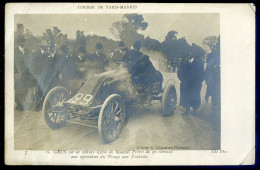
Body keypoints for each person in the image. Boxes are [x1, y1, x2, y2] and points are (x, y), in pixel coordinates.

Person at [177, 46, 205, 116]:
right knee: (186, 95)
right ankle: (187, 110)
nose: (191, 54)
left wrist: (199, 81)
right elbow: (180, 72)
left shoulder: (199, 62)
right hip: (186, 82)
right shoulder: (184, 61)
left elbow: (202, 73)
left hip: (195, 83)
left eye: (192, 53)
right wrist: (183, 80)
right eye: (190, 53)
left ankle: (195, 111)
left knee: (195, 95)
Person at [14, 35, 31, 110]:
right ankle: (19, 104)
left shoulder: (27, 51)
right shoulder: (15, 51)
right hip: (18, 73)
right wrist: (15, 73)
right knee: (18, 89)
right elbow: (13, 63)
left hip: (26, 74)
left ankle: (23, 102)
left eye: (23, 41)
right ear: (18, 42)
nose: (22, 43)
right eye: (21, 41)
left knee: (25, 89)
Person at [205, 37, 220, 115]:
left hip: (215, 79)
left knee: (215, 95)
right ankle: (214, 109)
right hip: (214, 80)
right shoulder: (212, 57)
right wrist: (208, 80)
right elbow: (208, 69)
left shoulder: (214, 57)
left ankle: (214, 109)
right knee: (215, 95)